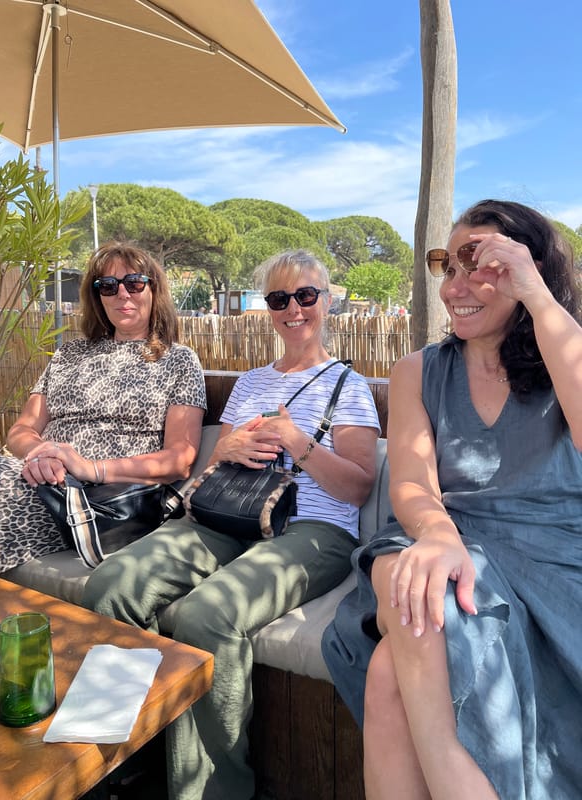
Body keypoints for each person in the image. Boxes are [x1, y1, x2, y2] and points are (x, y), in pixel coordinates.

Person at [82, 249, 381, 800]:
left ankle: (210, 790)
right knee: (110, 586)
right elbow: (216, 465)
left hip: (315, 530)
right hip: (231, 516)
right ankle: (120, 761)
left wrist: (298, 441)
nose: (293, 309)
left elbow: (358, 486)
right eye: (278, 299)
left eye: (305, 296)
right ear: (268, 309)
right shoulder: (248, 382)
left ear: (327, 300)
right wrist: (231, 446)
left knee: (206, 615)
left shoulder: (348, 385)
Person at [322, 199, 582, 800]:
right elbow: (411, 482)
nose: (455, 287)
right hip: (448, 537)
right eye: (448, 265)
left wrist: (540, 300)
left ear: (529, 268)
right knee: (414, 584)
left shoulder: (561, 349)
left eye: (480, 263)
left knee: (390, 671)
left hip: (551, 557)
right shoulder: (419, 369)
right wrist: (439, 537)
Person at [0, 242, 206, 576]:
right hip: (40, 481)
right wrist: (42, 452)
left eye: (134, 283)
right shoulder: (69, 355)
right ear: (97, 297)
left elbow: (180, 460)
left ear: (153, 290)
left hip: (95, 500)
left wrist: (89, 468)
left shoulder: (177, 360)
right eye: (108, 286)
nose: (122, 295)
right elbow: (21, 430)